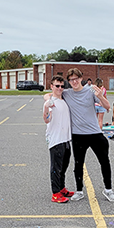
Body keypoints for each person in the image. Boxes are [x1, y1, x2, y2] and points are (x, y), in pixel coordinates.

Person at [62, 68, 114, 202]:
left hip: (94, 133)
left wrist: (100, 96)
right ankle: (79, 191)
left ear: (81, 78)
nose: (74, 82)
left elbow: (107, 106)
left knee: (104, 161)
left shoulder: (91, 90)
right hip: (78, 135)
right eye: (71, 80)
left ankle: (108, 190)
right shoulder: (67, 93)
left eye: (76, 79)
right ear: (69, 81)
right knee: (78, 164)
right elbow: (49, 95)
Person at [43, 75, 75, 203]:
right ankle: (55, 193)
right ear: (52, 86)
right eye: (57, 86)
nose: (60, 88)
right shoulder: (50, 102)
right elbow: (46, 119)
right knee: (56, 167)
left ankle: (61, 188)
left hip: (66, 139)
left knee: (64, 166)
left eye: (62, 86)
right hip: (56, 140)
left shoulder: (63, 100)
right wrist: (46, 108)